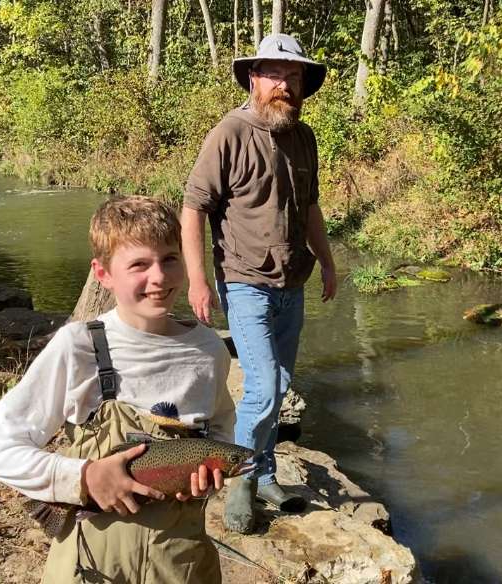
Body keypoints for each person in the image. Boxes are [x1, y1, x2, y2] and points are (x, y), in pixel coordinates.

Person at [0, 197, 236, 583]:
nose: (160, 277)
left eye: (169, 258)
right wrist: (83, 477)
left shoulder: (209, 350)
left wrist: (204, 482)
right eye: (139, 265)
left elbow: (220, 430)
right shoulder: (78, 347)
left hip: (179, 561)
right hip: (91, 562)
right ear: (103, 274)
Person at [180, 33, 337, 535]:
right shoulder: (228, 133)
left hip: (293, 280)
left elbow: (310, 206)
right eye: (274, 75)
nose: (284, 85)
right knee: (264, 389)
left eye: (293, 77)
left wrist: (328, 262)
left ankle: (267, 473)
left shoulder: (303, 136)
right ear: (254, 78)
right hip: (245, 281)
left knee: (281, 384)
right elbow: (193, 209)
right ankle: (240, 487)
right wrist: (198, 281)